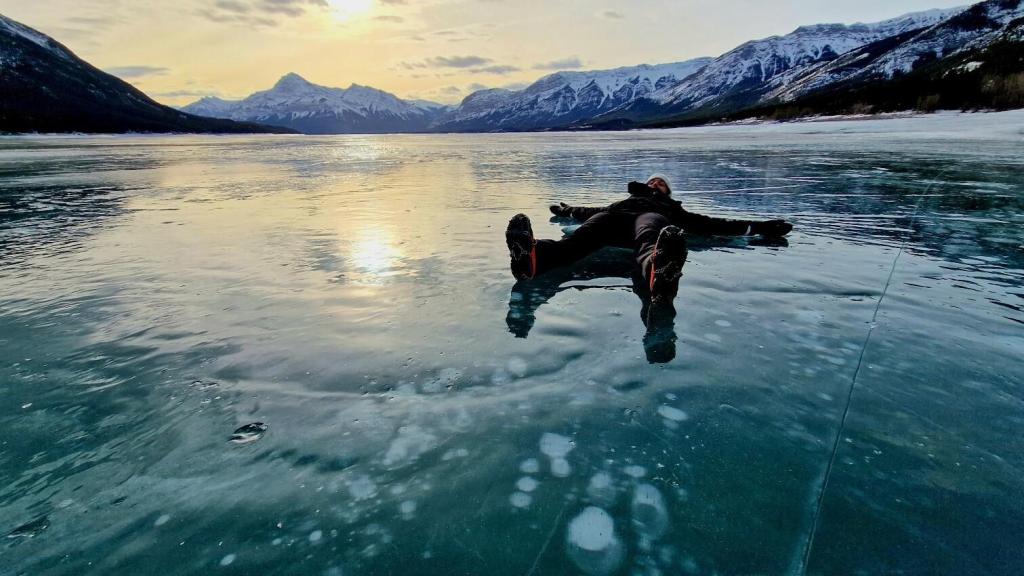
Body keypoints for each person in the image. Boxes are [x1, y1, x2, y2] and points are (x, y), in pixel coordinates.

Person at [504, 173, 793, 304]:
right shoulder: (624, 202)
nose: (656, 184)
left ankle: (657, 269)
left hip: (648, 222)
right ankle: (535, 258)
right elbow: (593, 210)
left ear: (667, 192)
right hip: (615, 220)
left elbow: (708, 223)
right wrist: (567, 210)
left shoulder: (670, 208)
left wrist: (758, 227)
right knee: (585, 234)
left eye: (661, 183)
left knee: (650, 231)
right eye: (653, 181)